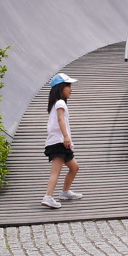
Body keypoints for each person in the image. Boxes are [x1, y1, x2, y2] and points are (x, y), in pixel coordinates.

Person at [42, 72, 84, 209]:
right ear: (60, 88)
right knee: (56, 171)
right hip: (58, 143)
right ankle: (48, 197)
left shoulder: (56, 104)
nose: (71, 89)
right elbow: (60, 120)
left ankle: (65, 192)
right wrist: (66, 136)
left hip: (61, 143)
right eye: (68, 86)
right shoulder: (60, 103)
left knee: (74, 167)